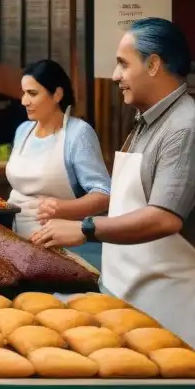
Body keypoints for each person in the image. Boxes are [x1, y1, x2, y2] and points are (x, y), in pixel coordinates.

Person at [33, 18, 195, 345]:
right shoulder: (147, 119)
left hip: (170, 310)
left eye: (123, 63)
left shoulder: (184, 127)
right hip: (131, 298)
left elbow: (164, 217)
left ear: (153, 64)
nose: (115, 75)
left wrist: (86, 228)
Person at [5, 60, 110, 262]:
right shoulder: (23, 131)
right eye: (24, 92)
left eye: (32, 93)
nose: (24, 100)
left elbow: (104, 194)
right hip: (13, 239)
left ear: (57, 95)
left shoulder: (78, 134)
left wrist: (63, 208)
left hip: (58, 247)